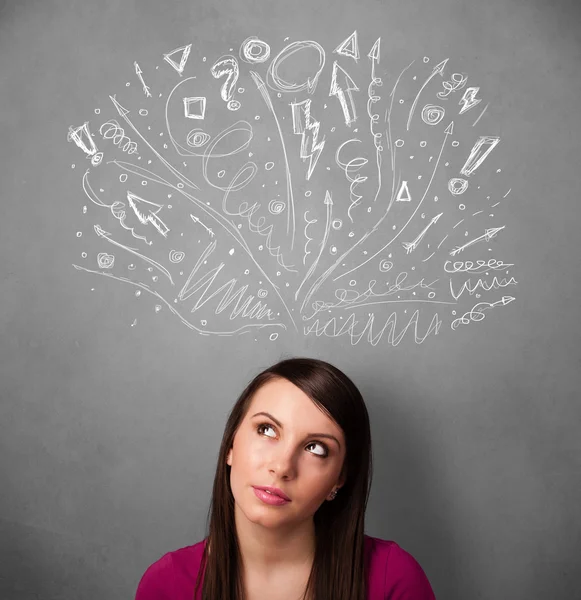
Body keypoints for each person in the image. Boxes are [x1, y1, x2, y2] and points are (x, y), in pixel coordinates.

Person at [135, 357, 436, 600]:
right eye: (266, 430)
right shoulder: (166, 585)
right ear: (230, 445)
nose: (282, 467)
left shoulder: (392, 580)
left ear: (339, 479)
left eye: (315, 448)